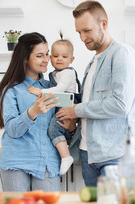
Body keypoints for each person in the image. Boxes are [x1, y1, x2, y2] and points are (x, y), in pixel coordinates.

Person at [56, 1, 135, 187]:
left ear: (104, 24)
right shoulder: (93, 62)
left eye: (86, 31)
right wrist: (72, 122)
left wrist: (76, 110)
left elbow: (120, 104)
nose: (82, 38)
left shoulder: (121, 54)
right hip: (90, 154)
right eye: (79, 32)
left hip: (117, 154)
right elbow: (92, 108)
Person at [0, 32, 75, 192]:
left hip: (48, 162)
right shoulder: (11, 89)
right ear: (25, 58)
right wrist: (33, 111)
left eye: (47, 54)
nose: (46, 60)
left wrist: (70, 128)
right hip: (16, 163)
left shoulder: (53, 87)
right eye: (39, 55)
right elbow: (12, 130)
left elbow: (60, 129)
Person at [26, 33, 79, 175]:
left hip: (67, 103)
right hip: (61, 102)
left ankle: (66, 157)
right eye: (55, 56)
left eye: (64, 56)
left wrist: (40, 92)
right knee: (56, 129)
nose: (59, 59)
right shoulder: (55, 74)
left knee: (53, 129)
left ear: (71, 59)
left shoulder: (66, 73)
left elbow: (59, 90)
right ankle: (66, 156)